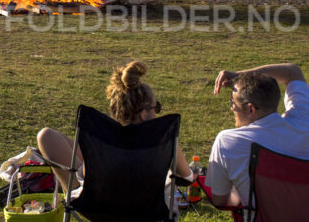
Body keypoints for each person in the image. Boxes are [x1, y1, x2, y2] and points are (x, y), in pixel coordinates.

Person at [37, 61, 194, 200]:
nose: (157, 112)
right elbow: (187, 178)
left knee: (46, 136)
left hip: (96, 205)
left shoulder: (101, 138)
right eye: (156, 107)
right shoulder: (164, 140)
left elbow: (84, 174)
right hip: (148, 209)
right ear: (144, 114)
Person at [207, 63, 309, 208]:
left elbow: (220, 201)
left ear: (250, 109)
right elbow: (293, 71)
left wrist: (239, 189)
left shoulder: (227, 141)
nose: (231, 108)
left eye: (232, 102)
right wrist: (239, 75)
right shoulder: (305, 121)